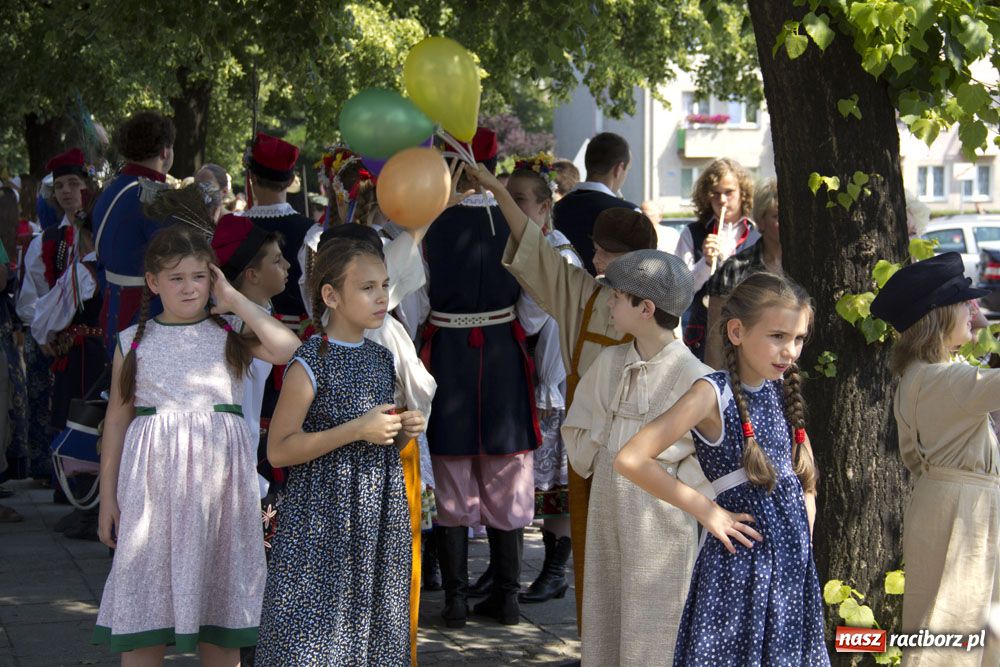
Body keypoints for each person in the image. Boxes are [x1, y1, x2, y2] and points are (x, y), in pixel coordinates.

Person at [465, 160, 658, 633]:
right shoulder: (586, 297)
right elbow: (537, 253)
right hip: (588, 453)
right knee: (592, 562)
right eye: (595, 249)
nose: (594, 260)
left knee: (639, 565)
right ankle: (596, 652)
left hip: (641, 456)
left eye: (605, 253)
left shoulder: (661, 314)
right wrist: (498, 192)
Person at [93, 224, 300, 658]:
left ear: (213, 278)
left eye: (199, 277)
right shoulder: (133, 342)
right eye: (176, 278)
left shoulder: (229, 333)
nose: (189, 288)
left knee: (219, 614)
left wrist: (236, 300)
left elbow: (288, 349)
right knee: (145, 606)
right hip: (153, 494)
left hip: (219, 492)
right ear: (153, 282)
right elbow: (116, 420)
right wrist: (107, 498)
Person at [615, 272, 828, 666]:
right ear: (736, 332)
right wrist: (707, 511)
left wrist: (802, 535)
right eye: (778, 336)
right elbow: (631, 458)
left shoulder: (784, 392)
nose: (791, 351)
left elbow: (804, 480)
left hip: (790, 567)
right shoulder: (712, 393)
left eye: (798, 339)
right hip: (739, 566)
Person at [256, 238, 424, 665]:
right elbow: (278, 450)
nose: (382, 296)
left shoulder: (380, 358)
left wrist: (403, 430)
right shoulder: (310, 360)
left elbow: (380, 442)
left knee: (372, 628)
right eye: (367, 287)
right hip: (323, 517)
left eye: (385, 285)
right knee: (314, 633)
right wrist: (356, 429)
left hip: (376, 517)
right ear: (331, 295)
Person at [559, 250, 711, 666]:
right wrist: (605, 444)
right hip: (608, 506)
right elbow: (578, 432)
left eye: (617, 296)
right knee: (607, 614)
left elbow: (705, 461)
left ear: (646, 308)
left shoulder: (694, 377)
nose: (608, 302)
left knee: (656, 624)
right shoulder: (610, 362)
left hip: (662, 518)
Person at [421, 128, 540, 629]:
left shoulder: (426, 226)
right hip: (502, 357)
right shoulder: (516, 226)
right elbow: (534, 313)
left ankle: (454, 602)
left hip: (448, 356)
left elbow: (412, 305)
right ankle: (508, 599)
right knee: (506, 470)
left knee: (451, 471)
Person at [871, 253, 999, 666]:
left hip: (937, 498)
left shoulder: (916, 376)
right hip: (965, 508)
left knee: (943, 618)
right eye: (964, 302)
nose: (974, 309)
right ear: (939, 315)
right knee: (956, 622)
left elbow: (912, 456)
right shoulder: (949, 380)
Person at [505, 156, 580, 603]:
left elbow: (527, 321)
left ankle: (554, 571)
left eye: (518, 201)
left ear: (544, 208)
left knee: (555, 483)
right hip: (545, 380)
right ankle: (511, 571)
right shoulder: (541, 245)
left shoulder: (553, 252)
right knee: (532, 480)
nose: (509, 208)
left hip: (555, 381)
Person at [17, 149, 100, 480]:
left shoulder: (101, 234)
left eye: (74, 184)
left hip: (91, 341)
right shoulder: (46, 241)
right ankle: (61, 476)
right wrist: (47, 329)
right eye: (61, 186)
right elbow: (31, 297)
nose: (67, 192)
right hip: (56, 344)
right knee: (59, 410)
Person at [93, 110, 175, 359]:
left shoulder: (110, 189)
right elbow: (174, 264)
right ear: (164, 150)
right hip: (147, 317)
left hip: (113, 311)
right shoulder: (155, 195)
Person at [675, 158, 757, 361]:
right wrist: (706, 263)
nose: (722, 200)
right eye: (715, 193)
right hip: (702, 335)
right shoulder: (692, 233)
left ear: (742, 193)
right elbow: (679, 290)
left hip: (748, 334)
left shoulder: (757, 234)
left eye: (729, 192)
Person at [704, 177, 781, 369]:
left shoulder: (806, 268)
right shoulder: (734, 269)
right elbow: (715, 339)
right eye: (778, 217)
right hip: (747, 378)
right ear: (761, 221)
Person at [553, 132, 638, 274]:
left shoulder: (555, 209)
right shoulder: (629, 215)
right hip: (610, 295)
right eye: (626, 170)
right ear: (618, 169)